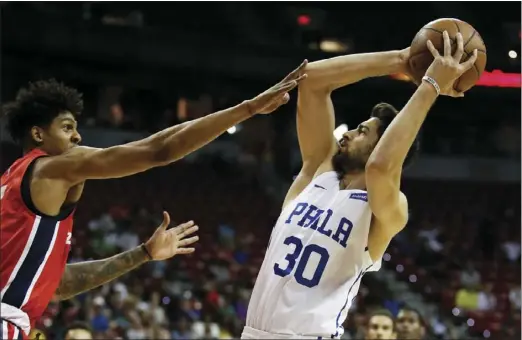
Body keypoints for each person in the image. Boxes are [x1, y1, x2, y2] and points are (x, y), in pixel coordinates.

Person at [0, 63, 307, 339]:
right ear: (38, 135)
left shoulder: (10, 184)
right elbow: (157, 150)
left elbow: (60, 284)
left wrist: (144, 253)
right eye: (67, 128)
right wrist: (248, 109)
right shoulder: (52, 166)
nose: (78, 137)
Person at [242, 31, 477, 339]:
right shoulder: (316, 173)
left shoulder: (387, 208)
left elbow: (380, 167)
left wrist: (430, 85)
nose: (347, 134)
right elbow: (311, 80)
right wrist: (401, 59)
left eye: (362, 131)